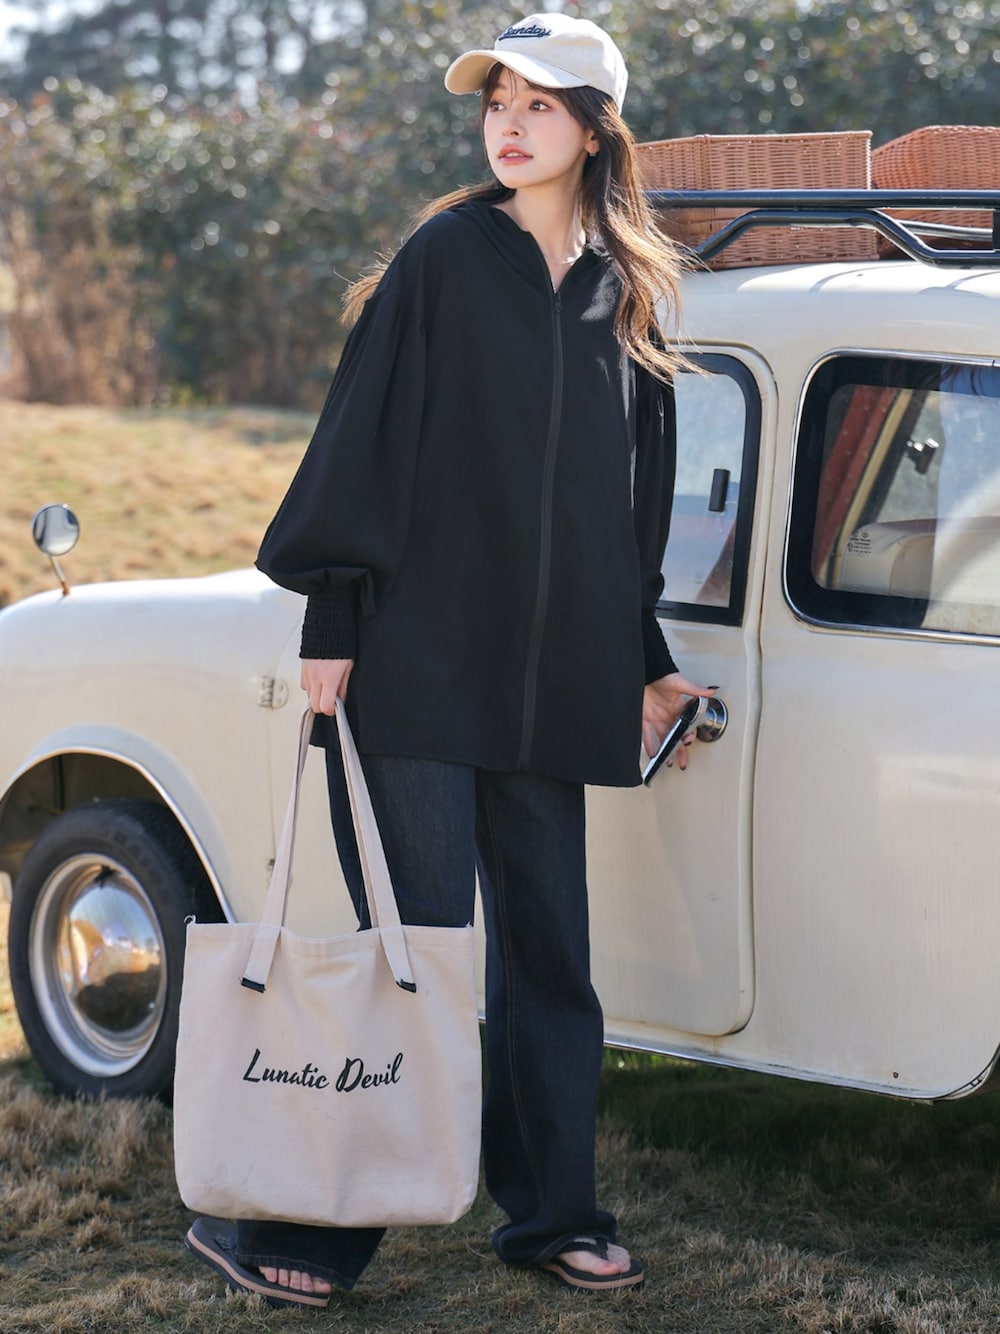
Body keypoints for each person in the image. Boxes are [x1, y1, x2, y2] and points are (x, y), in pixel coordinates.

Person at [183, 11, 715, 1309]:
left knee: (550, 957)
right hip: (418, 666)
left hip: (557, 683)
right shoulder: (444, 257)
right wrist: (332, 624)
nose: (509, 127)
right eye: (496, 104)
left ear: (595, 129)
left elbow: (623, 507)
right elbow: (363, 438)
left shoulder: (627, 287)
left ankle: (553, 1216)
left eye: (540, 105)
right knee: (416, 951)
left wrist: (643, 656)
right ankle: (313, 1229)